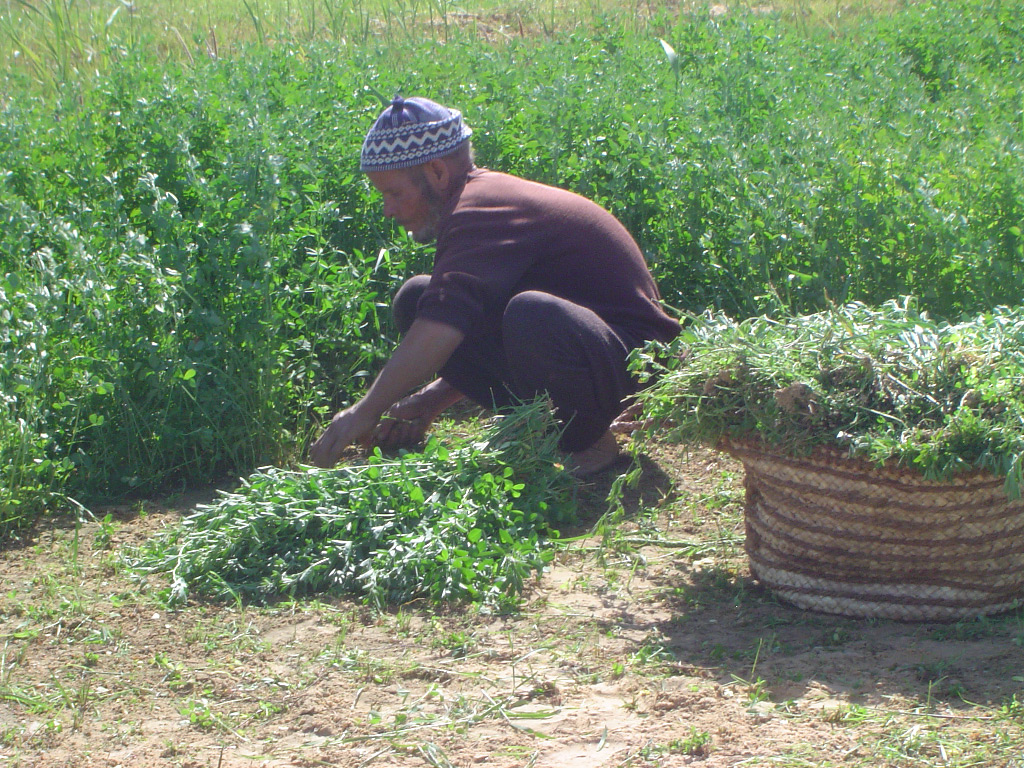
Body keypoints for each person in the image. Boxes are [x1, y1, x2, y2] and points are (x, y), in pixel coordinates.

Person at [308, 96, 679, 475]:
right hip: (592, 347)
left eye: (393, 193)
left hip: (638, 361)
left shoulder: (481, 208)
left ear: (437, 172)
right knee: (417, 297)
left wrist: (362, 412)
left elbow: (442, 329)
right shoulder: (476, 203)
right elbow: (472, 320)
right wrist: (431, 400)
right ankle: (548, 425)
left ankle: (585, 440)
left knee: (530, 313)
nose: (388, 209)